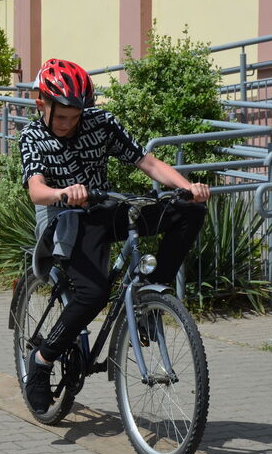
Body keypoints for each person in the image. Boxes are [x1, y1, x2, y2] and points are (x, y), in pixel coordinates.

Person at [18, 58, 211, 412]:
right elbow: (36, 190)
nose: (68, 125)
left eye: (75, 118)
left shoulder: (101, 123)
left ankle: (153, 296)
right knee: (93, 295)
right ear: (41, 105)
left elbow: (147, 162)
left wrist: (189, 187)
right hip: (64, 217)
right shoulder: (32, 136)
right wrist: (65, 193)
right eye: (61, 117)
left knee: (188, 212)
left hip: (103, 208)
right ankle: (43, 361)